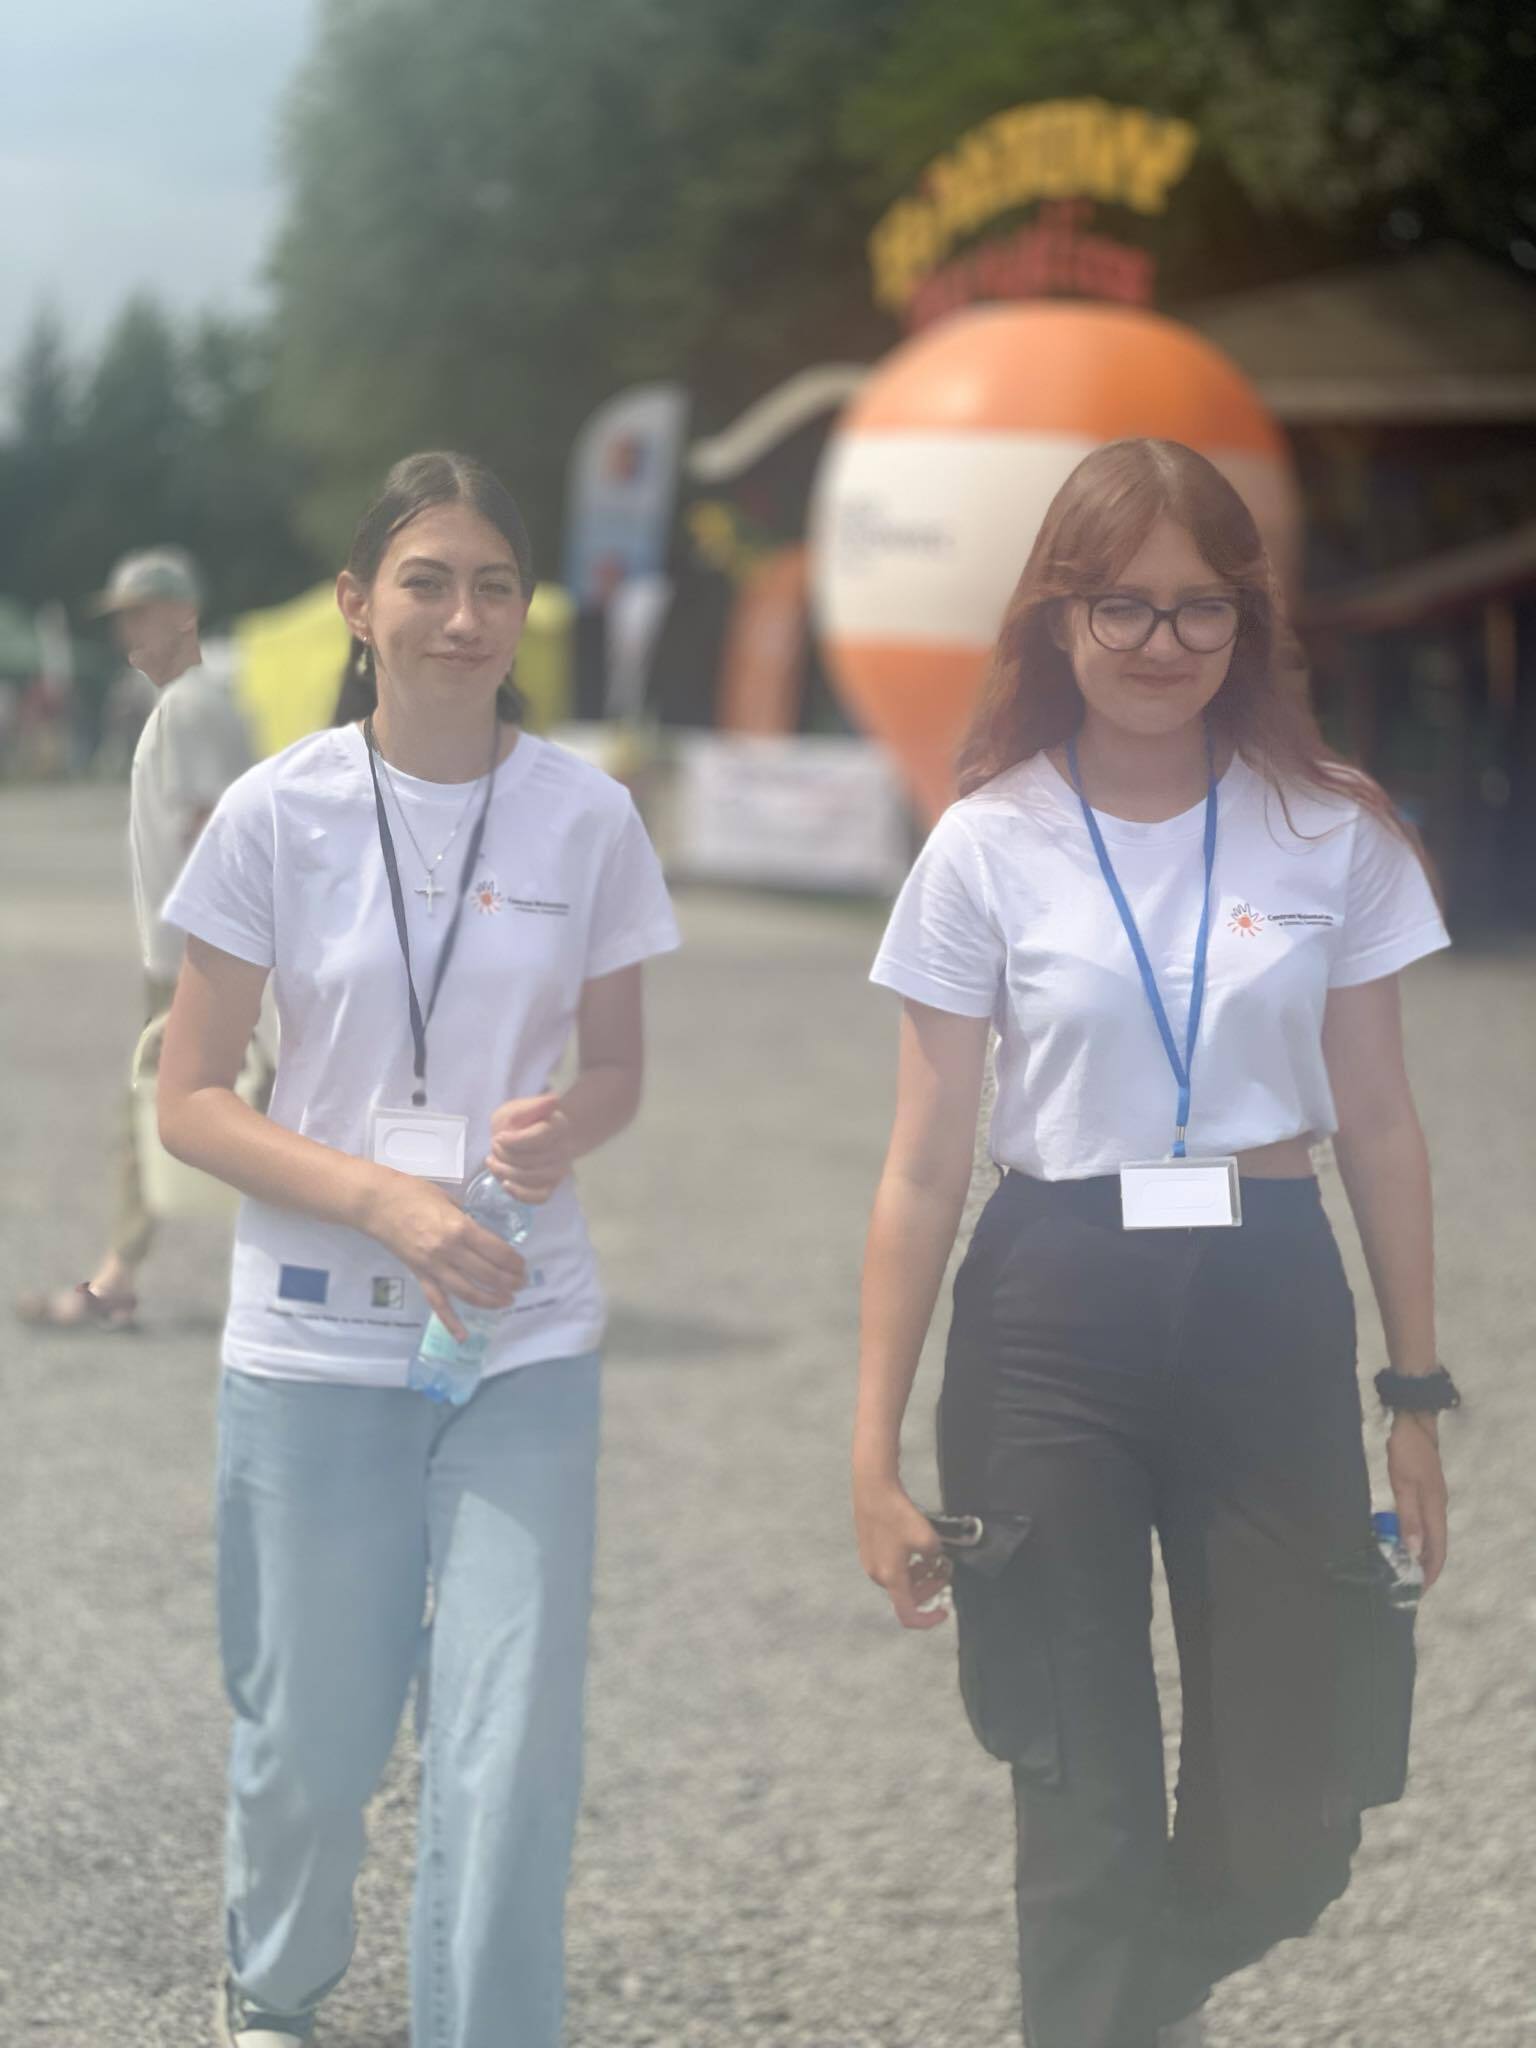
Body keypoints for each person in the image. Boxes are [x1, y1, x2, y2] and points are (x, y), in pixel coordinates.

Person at [854, 438, 1457, 2048]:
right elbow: (922, 1165)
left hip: (1269, 1296)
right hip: (1049, 1310)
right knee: (1078, 1786)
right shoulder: (985, 842)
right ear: (1056, 619)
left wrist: (1415, 1395)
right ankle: (1106, 2008)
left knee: (1295, 1798)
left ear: (1248, 623)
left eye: (1199, 607)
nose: (1160, 640)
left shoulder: (1332, 831)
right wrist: (870, 1447)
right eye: (1120, 604)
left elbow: (1382, 1124)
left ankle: (1129, 1999)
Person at [153, 450, 680, 2048]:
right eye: (428, 583)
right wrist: (382, 1200)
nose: (463, 617)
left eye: (494, 586)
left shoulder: (588, 816)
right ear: (356, 605)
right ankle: (274, 1991)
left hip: (522, 1330)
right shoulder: (276, 813)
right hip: (315, 1336)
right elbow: (190, 1101)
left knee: (510, 1745)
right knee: (310, 1746)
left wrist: (566, 1127)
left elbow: (617, 1067)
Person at [15, 547, 256, 1332]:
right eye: (121, 617)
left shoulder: (190, 708)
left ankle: (117, 1282)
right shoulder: (189, 704)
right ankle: (123, 1274)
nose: (127, 630)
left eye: (140, 614)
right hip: (194, 955)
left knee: (160, 1113)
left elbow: (217, 828)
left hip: (197, 959)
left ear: (184, 615)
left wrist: (210, 963)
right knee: (184, 1113)